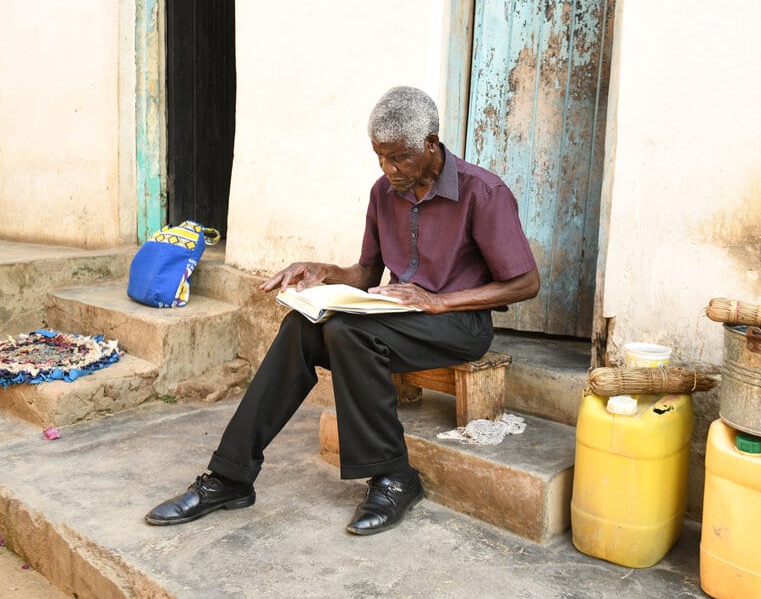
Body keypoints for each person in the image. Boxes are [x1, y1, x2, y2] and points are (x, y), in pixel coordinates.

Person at [145, 86, 539, 535]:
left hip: (458, 323)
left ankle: (394, 477)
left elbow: (526, 282)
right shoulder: (384, 192)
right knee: (301, 327)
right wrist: (324, 271)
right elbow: (368, 273)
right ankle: (229, 476)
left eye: (398, 158)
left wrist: (439, 300)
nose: (388, 169)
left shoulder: (482, 193)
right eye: (379, 156)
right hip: (395, 317)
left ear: (430, 145)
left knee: (349, 333)